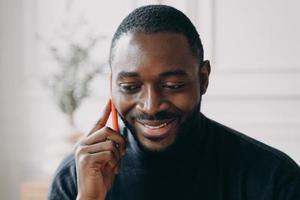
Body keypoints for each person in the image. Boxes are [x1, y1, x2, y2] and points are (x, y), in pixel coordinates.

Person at [48, 5, 300, 200]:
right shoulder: (75, 179)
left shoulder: (273, 178)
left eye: (172, 86)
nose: (151, 105)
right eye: (130, 87)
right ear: (112, 85)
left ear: (203, 78)